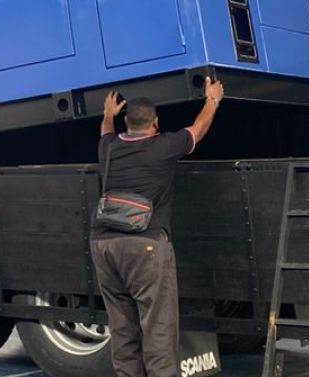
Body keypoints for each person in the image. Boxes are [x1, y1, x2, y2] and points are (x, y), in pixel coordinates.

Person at [90, 77, 224, 377]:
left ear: (127, 122)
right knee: (158, 329)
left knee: (123, 330)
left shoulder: (109, 148)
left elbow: (105, 132)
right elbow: (198, 130)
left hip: (104, 244)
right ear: (156, 123)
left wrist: (108, 114)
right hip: (145, 245)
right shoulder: (163, 146)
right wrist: (212, 99)